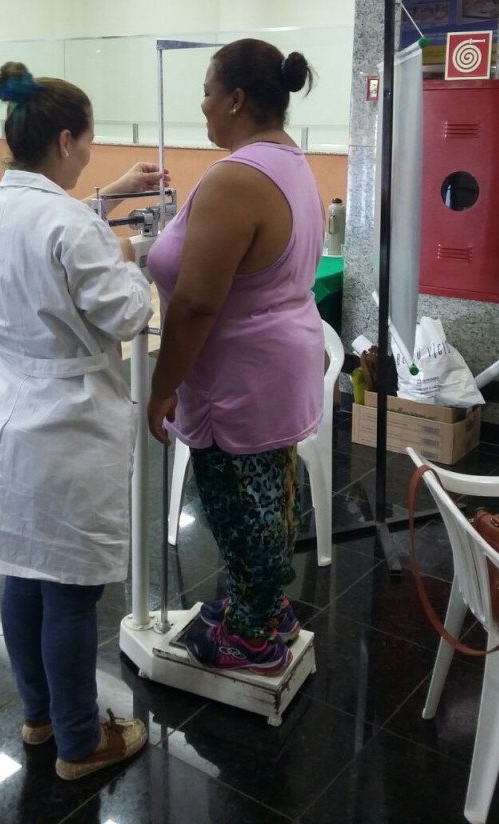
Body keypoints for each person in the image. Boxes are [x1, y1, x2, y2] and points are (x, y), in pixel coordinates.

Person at [0, 61, 167, 780]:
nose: (89, 156)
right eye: (88, 143)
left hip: (4, 409)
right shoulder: (69, 225)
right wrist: (140, 262)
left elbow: (49, 232)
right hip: (66, 423)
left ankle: (40, 717)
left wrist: (112, 196)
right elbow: (127, 313)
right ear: (65, 140)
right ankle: (82, 744)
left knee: (23, 574)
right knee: (72, 593)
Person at [147, 38, 325, 676]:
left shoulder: (235, 178)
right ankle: (267, 608)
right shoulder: (291, 161)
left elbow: (197, 303)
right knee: (270, 494)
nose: (201, 105)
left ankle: (251, 638)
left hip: (241, 378)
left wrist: (163, 387)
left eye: (207, 92)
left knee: (238, 504)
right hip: (277, 365)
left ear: (236, 100)